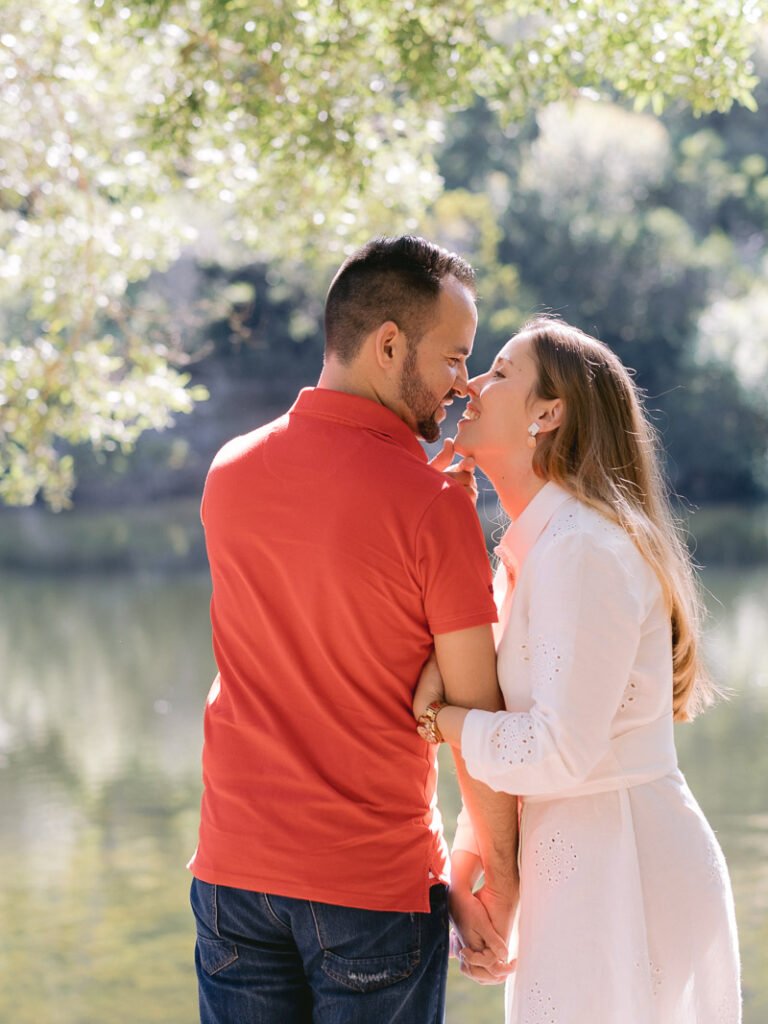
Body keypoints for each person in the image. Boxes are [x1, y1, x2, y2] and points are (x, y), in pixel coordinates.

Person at [188, 235, 518, 1024]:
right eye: (454, 358)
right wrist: (500, 879)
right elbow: (477, 716)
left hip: (232, 878)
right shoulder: (433, 505)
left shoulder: (229, 471)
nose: (463, 384)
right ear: (389, 344)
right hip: (371, 892)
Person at [413, 316, 742, 1023]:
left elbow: (556, 750)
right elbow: (520, 736)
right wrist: (473, 869)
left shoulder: (582, 550)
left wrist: (442, 720)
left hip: (626, 870)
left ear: (548, 414)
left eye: (501, 372)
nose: (471, 384)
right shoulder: (536, 550)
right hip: (578, 864)